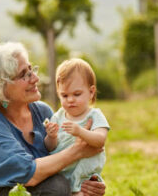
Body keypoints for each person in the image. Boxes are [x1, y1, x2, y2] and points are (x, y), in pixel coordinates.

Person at [0, 42, 106, 196]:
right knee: (56, 186)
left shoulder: (42, 111)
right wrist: (79, 151)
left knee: (59, 184)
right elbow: (27, 173)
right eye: (24, 74)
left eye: (31, 69)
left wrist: (86, 183)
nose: (35, 78)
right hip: (1, 191)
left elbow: (59, 161)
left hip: (38, 187)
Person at [45, 58, 110, 196]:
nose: (70, 100)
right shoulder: (58, 117)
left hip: (84, 177)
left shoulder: (94, 115)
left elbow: (100, 140)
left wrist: (80, 131)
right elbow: (50, 148)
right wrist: (51, 137)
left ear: (91, 92)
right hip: (61, 173)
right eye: (64, 95)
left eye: (77, 94)